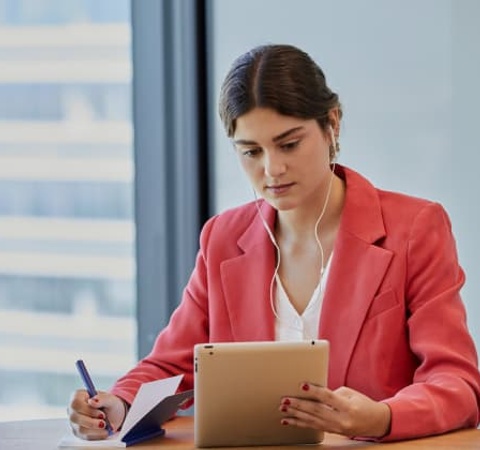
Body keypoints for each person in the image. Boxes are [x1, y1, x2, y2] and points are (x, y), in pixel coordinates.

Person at [68, 43, 480, 442]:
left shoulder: (414, 229)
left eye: (289, 144)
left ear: (332, 123)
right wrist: (118, 404)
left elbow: (458, 384)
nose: (272, 169)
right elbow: (171, 365)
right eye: (250, 151)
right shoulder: (223, 239)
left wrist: (382, 418)